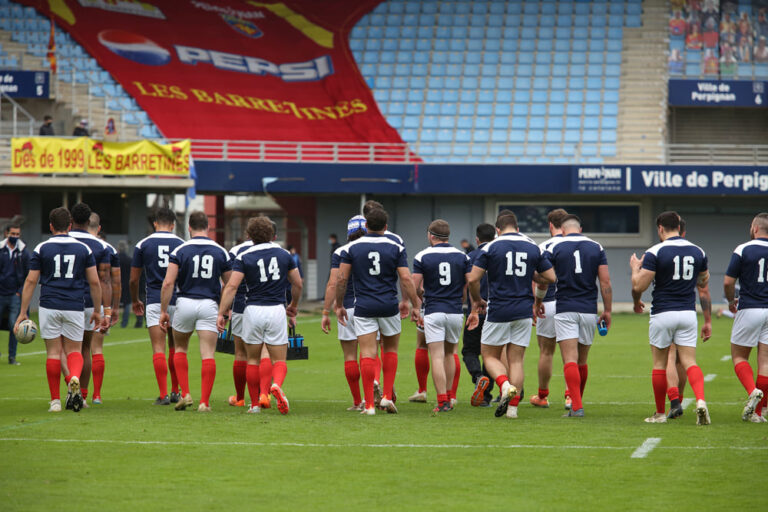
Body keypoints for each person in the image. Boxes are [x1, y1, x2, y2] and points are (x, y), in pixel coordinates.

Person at [467, 210, 555, 419]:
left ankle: (504, 385)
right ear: (517, 228)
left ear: (498, 230)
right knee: (516, 360)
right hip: (524, 310)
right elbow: (550, 277)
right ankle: (513, 410)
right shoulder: (533, 246)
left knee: (489, 355)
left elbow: (472, 279)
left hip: (499, 308)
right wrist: (532, 276)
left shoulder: (490, 247)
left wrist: (477, 300)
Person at [14, 207, 103, 412]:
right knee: (75, 351)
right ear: (69, 226)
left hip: (49, 305)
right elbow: (94, 282)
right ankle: (74, 378)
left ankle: (55, 401)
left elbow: (30, 281)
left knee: (53, 353)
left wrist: (23, 312)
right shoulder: (83, 249)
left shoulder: (42, 248)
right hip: (74, 305)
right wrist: (97, 310)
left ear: (51, 226)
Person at [335, 207, 421, 415]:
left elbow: (342, 279)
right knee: (390, 350)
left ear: (366, 226)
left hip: (364, 306)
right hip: (389, 305)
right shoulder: (395, 247)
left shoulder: (351, 248)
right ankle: (387, 397)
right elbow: (406, 278)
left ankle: (369, 405)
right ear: (385, 227)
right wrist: (415, 304)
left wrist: (339, 305)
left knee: (367, 353)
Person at [630, 211, 712, 425]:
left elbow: (639, 286)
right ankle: (701, 400)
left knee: (659, 363)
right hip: (687, 313)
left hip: (663, 312)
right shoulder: (698, 251)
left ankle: (659, 413)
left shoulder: (655, 251)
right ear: (679, 227)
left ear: (660, 228)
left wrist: (635, 270)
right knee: (690, 362)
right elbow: (703, 282)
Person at [218, 216, 302, 414]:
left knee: (252, 360)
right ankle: (276, 386)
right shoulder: (284, 254)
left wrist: (221, 313)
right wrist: (293, 305)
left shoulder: (244, 256)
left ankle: (254, 405)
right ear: (272, 234)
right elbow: (297, 283)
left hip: (252, 310)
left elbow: (231, 286)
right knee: (279, 359)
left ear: (249, 235)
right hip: (276, 309)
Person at [159, 211, 231, 412]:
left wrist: (163, 310)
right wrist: (225, 311)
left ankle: (186, 394)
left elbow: (168, 283)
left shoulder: (180, 250)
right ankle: (204, 403)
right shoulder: (220, 251)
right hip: (209, 304)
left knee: (180, 349)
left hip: (185, 303)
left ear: (189, 227)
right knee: (207, 353)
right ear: (208, 227)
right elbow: (230, 285)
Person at [542, 214, 612, 418]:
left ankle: (577, 407)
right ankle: (576, 403)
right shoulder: (596, 247)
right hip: (589, 309)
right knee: (582, 360)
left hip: (565, 307)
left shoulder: (554, 247)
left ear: (562, 231)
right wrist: (607, 310)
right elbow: (605, 282)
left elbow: (544, 278)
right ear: (580, 229)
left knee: (569, 359)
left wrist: (537, 300)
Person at [412, 220, 471, 413]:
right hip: (455, 311)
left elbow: (414, 285)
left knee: (436, 356)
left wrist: (418, 298)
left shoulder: (422, 256)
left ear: (431, 235)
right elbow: (469, 282)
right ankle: (451, 395)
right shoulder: (462, 256)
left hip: (434, 310)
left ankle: (442, 400)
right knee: (450, 353)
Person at [131, 207, 184, 405]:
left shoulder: (143, 244)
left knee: (158, 348)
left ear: (155, 223)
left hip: (154, 299)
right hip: (177, 300)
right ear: (173, 225)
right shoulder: (181, 244)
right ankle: (176, 391)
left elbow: (134, 279)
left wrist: (135, 300)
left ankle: (163, 395)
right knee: (176, 347)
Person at [724, 212, 768, 422]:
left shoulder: (743, 249)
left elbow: (728, 281)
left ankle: (752, 391)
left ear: (755, 228)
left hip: (750, 307)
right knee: (765, 361)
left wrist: (730, 300)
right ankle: (758, 413)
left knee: (739, 356)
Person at [321, 215, 368, 410]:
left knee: (350, 356)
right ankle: (373, 395)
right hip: (370, 307)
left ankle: (357, 401)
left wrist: (326, 311)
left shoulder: (341, 251)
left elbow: (334, 283)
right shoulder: (377, 247)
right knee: (370, 354)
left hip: (347, 307)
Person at [67, 203, 112, 406]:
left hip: (64, 301)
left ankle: (67, 388)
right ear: (89, 222)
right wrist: (106, 311)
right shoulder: (101, 246)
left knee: (62, 350)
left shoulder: (60, 240)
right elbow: (105, 280)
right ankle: (83, 396)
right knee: (86, 348)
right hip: (90, 304)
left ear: (71, 221)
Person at [78, 212, 120, 404]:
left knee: (75, 349)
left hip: (72, 302)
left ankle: (75, 388)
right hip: (99, 304)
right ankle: (96, 395)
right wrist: (112, 309)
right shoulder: (108, 248)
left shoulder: (72, 243)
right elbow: (113, 281)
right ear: (99, 228)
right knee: (96, 348)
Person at [530, 209, 570, 409]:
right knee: (571, 354)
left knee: (546, 352)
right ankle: (571, 396)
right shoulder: (579, 244)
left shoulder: (543, 247)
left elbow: (538, 279)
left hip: (548, 302)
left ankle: (542, 396)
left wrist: (535, 303)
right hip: (572, 303)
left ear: (550, 225)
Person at [463, 223, 496, 407]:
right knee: (491, 355)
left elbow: (467, 283)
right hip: (495, 312)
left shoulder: (471, 256)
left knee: (469, 351)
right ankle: (485, 396)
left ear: (477, 239)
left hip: (475, 312)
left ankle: (478, 377)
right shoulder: (499, 254)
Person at [225, 234, 254, 409]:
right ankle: (263, 395)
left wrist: (224, 309)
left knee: (241, 353)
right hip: (269, 306)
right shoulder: (277, 250)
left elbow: (229, 283)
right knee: (263, 354)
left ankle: (241, 398)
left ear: (247, 234)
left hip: (241, 306)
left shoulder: (235, 251)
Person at [0, 222, 29, 365]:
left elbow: (28, 274)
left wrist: (20, 292)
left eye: (17, 234)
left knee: (14, 325)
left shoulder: (23, 252)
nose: (15, 237)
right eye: (13, 234)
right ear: (7, 233)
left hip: (14, 295)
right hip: (0, 293)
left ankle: (12, 356)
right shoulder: (0, 249)